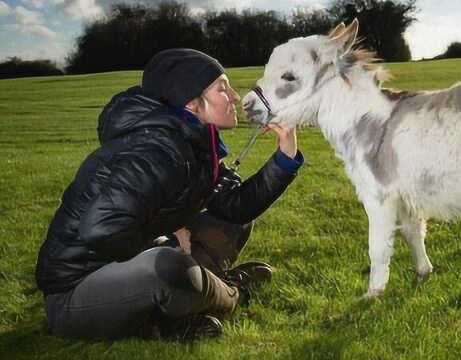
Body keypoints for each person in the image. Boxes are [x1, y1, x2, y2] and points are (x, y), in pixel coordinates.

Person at [35, 48, 304, 340]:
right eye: (221, 89)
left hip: (126, 268)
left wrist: (285, 154)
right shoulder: (153, 152)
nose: (234, 97)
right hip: (76, 294)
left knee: (232, 222)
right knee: (167, 266)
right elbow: (101, 230)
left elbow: (234, 207)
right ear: (191, 103)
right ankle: (230, 293)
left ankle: (194, 297)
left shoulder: (196, 140)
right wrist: (165, 237)